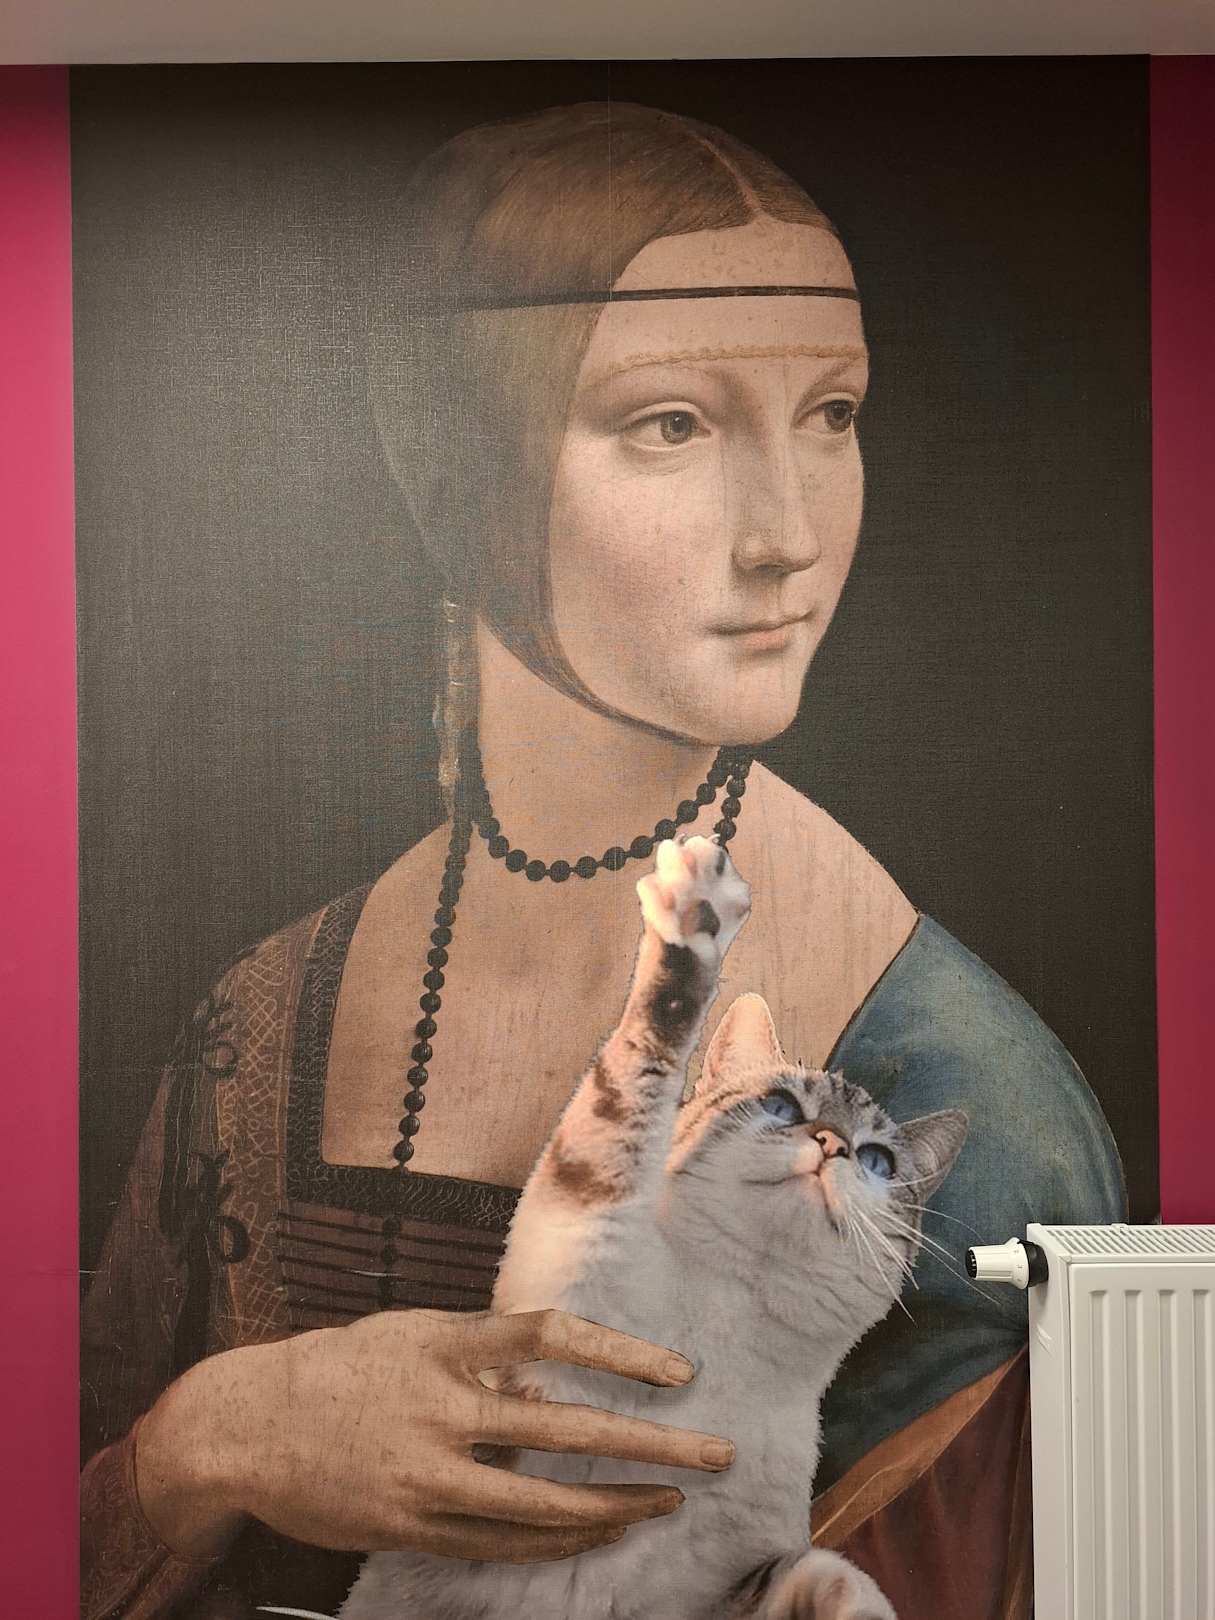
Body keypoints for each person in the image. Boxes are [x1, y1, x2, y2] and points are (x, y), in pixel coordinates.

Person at [81, 102, 1125, 1620]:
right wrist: (214, 1440)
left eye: (832, 412)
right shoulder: (266, 1014)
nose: (786, 537)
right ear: (468, 466)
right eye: (672, 425)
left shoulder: (968, 1098)